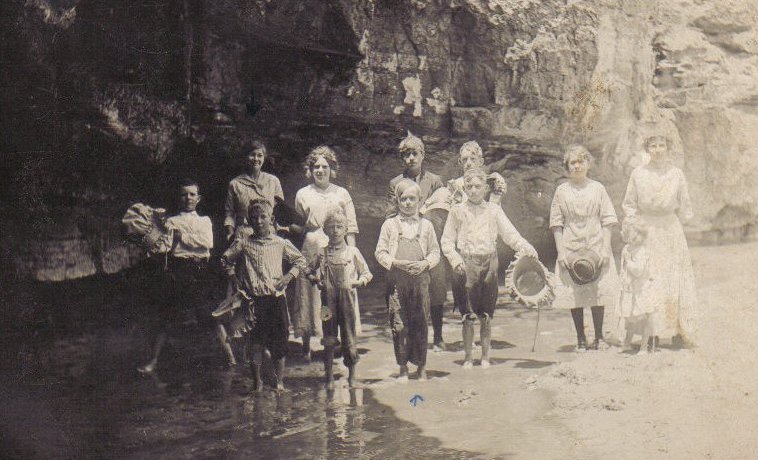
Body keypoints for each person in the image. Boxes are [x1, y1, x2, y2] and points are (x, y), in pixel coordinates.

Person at [441, 168, 537, 369]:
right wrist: (454, 259)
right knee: (468, 315)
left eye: (478, 186)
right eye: (469, 187)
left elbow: (510, 234)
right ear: (464, 188)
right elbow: (447, 240)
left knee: (486, 314)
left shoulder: (493, 210)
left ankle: (485, 357)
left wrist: (527, 247)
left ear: (485, 188)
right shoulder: (457, 210)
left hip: (489, 263)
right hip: (465, 264)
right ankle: (468, 357)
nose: (474, 190)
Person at [221, 199, 306, 391]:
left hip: (276, 299)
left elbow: (300, 261)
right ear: (249, 221)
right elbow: (225, 259)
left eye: (263, 217)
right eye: (254, 218)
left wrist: (287, 277)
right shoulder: (244, 243)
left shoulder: (280, 243)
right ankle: (257, 382)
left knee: (280, 341)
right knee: (256, 342)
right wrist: (234, 277)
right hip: (254, 301)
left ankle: (280, 381)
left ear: (272, 219)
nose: (258, 221)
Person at [622, 135, 696, 347]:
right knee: (650, 279)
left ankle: (677, 331)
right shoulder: (638, 174)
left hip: (670, 230)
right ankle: (651, 333)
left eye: (661, 145)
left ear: (668, 148)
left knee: (674, 278)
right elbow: (629, 204)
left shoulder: (676, 174)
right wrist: (634, 230)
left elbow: (685, 203)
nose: (657, 150)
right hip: (647, 230)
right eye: (652, 146)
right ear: (647, 149)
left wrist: (680, 226)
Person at [138, 179, 215, 374]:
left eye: (192, 194)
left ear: (199, 198)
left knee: (208, 315)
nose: (188, 198)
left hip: (200, 270)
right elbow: (165, 248)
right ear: (179, 198)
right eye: (184, 194)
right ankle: (153, 361)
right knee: (167, 316)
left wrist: (183, 238)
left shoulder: (204, 220)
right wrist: (154, 238)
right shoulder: (171, 222)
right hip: (179, 269)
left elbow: (207, 243)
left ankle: (229, 358)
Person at [293, 146, 360, 361]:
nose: (320, 170)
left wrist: (352, 255)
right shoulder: (303, 194)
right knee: (309, 292)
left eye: (325, 166)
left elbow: (350, 226)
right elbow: (300, 224)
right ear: (310, 170)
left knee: (336, 293)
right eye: (316, 167)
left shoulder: (341, 193)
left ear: (332, 169)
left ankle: (337, 341)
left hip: (338, 247)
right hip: (312, 247)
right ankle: (306, 343)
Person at [550, 145, 619, 351]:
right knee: (575, 293)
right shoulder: (561, 191)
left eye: (581, 161)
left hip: (596, 243)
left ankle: (599, 337)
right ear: (567, 166)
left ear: (588, 164)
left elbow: (608, 219)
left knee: (597, 291)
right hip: (571, 245)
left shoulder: (598, 188)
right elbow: (556, 223)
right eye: (573, 162)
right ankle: (580, 337)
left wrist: (606, 248)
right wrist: (561, 251)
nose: (577, 166)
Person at [385, 131, 449, 351]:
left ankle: (438, 337)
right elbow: (389, 214)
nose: (411, 158)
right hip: (406, 243)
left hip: (431, 240)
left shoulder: (434, 180)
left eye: (415, 153)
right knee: (408, 290)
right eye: (406, 154)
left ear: (423, 155)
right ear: (402, 158)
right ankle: (413, 337)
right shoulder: (396, 183)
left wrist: (426, 216)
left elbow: (443, 210)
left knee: (437, 289)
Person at [376, 179, 441, 380]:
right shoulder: (390, 225)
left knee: (420, 322)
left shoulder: (427, 225)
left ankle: (421, 366)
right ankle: (403, 366)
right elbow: (380, 252)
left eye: (412, 199)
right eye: (403, 199)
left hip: (421, 281)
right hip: (397, 281)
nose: (408, 203)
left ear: (420, 200)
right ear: (397, 201)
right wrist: (395, 263)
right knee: (400, 324)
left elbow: (435, 252)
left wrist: (425, 264)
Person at [309, 209, 372, 389]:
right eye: (331, 227)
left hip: (347, 302)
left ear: (346, 229)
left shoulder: (353, 252)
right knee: (328, 339)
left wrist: (358, 282)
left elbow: (367, 273)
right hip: (327, 304)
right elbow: (306, 269)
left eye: (339, 227)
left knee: (349, 337)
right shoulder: (321, 253)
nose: (335, 230)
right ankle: (329, 378)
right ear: (325, 230)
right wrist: (316, 280)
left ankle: (352, 377)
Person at [223, 140, 285, 241]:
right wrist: (230, 233)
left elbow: (280, 211)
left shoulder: (273, 181)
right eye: (252, 155)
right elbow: (229, 213)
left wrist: (281, 233)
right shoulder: (235, 184)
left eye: (259, 155)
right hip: (244, 234)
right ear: (246, 157)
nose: (256, 159)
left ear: (264, 158)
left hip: (268, 234)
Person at [617, 218, 656, 354]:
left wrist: (629, 262)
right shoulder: (626, 249)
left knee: (644, 316)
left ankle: (644, 346)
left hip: (642, 288)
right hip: (629, 289)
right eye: (633, 234)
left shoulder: (643, 251)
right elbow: (623, 269)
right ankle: (627, 342)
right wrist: (622, 282)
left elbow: (638, 271)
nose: (636, 237)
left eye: (640, 234)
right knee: (630, 317)